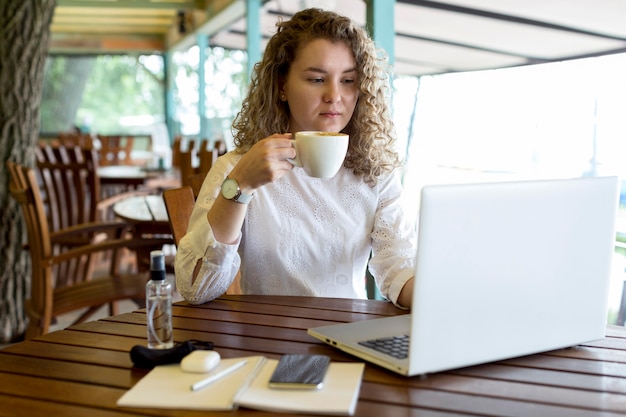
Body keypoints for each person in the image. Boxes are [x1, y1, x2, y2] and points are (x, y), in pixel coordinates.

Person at [175, 8, 416, 308]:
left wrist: (447, 289)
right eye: (317, 79)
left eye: (348, 80)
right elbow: (194, 288)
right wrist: (239, 187)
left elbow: (398, 269)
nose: (334, 95)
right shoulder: (238, 168)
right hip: (270, 341)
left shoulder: (375, 171)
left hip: (348, 338)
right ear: (282, 86)